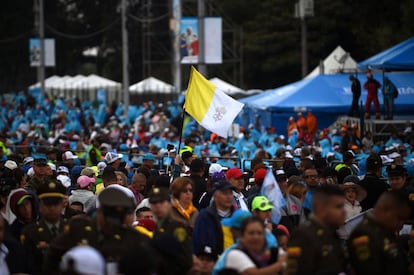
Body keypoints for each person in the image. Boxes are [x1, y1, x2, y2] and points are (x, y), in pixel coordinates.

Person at [347, 191, 411, 274]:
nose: (401, 224)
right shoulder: (363, 234)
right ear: (386, 209)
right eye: (399, 218)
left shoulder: (386, 229)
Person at [287, 185, 347, 274]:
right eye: (338, 207)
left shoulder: (331, 233)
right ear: (321, 209)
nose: (344, 211)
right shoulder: (303, 236)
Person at [21, 179, 67, 274]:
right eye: (48, 204)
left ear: (63, 204)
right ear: (40, 205)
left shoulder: (71, 230)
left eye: (55, 203)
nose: (52, 208)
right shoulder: (30, 232)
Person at [218, 217, 287, 274]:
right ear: (242, 236)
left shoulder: (274, 251)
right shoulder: (234, 254)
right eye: (251, 233)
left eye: (259, 233)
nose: (256, 237)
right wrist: (280, 264)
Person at [149, 187, 193, 274]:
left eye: (161, 202)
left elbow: (186, 260)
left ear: (169, 204)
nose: (158, 206)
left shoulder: (177, 227)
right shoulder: (157, 227)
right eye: (154, 203)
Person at [193, 181, 236, 258]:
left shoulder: (237, 216)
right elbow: (198, 242)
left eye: (230, 193)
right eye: (225, 194)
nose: (229, 197)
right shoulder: (205, 216)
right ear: (215, 196)